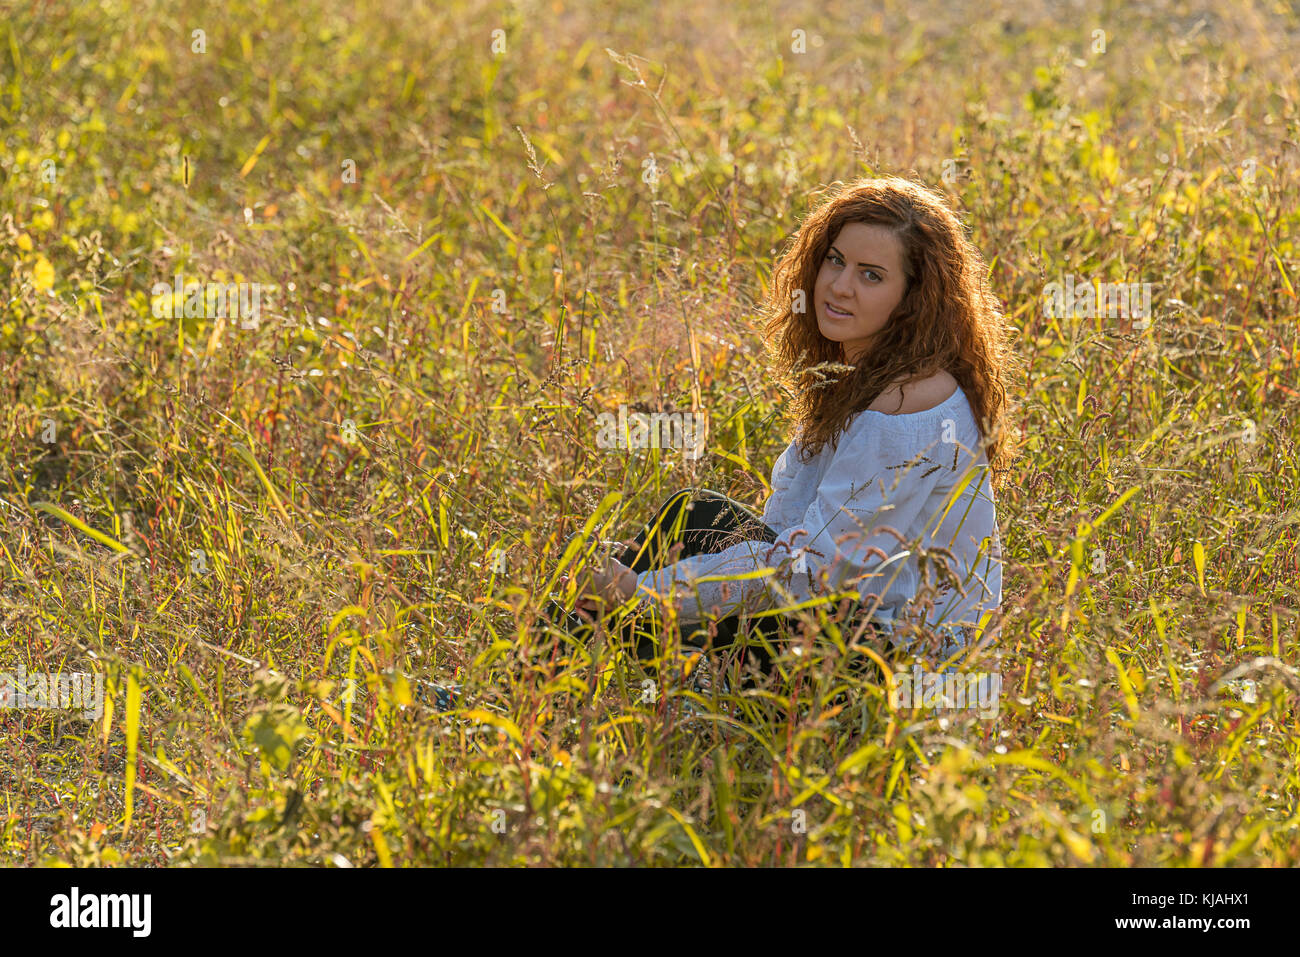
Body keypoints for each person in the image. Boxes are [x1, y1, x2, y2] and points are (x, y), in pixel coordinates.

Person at [548, 176, 1024, 688]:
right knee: (695, 516)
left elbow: (803, 571)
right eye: (835, 260)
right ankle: (569, 684)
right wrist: (664, 573)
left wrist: (647, 593)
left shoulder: (906, 405)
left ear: (913, 298)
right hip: (849, 623)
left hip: (898, 669)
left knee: (668, 567)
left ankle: (534, 693)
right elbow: (791, 534)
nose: (839, 286)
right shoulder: (871, 373)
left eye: (871, 275)